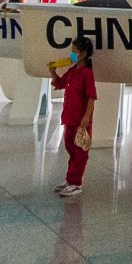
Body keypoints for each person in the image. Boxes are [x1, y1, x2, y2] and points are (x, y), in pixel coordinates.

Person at [48, 37, 98, 197]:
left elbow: (91, 97)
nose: (72, 55)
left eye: (74, 52)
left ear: (83, 54)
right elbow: (60, 83)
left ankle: (76, 182)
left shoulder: (87, 74)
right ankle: (70, 179)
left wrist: (86, 117)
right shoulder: (72, 71)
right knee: (70, 146)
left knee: (80, 150)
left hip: (81, 119)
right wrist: (52, 71)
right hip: (69, 117)